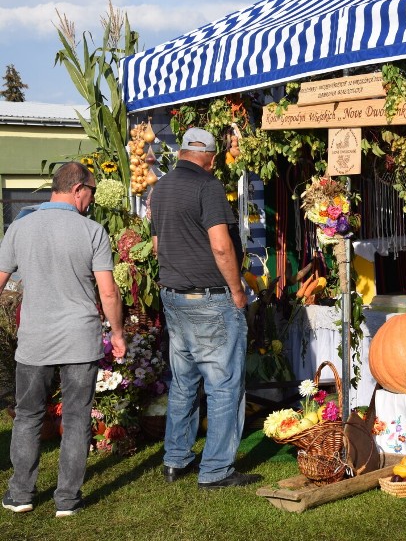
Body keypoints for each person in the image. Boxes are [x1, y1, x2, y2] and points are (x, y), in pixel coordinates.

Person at [0, 162, 126, 517]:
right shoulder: (92, 231)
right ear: (77, 189)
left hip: (34, 340)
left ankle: (20, 494)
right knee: (76, 418)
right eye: (93, 192)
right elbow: (109, 292)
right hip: (79, 338)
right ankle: (67, 500)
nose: (93, 199)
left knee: (27, 417)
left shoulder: (18, 228)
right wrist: (117, 333)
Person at [150, 127, 259, 489]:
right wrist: (237, 291)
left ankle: (175, 459)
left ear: (182, 152)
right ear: (210, 158)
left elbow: (155, 244)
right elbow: (221, 246)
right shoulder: (208, 186)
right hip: (209, 300)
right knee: (224, 385)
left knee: (183, 383)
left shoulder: (160, 187)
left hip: (174, 297)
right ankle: (216, 470)